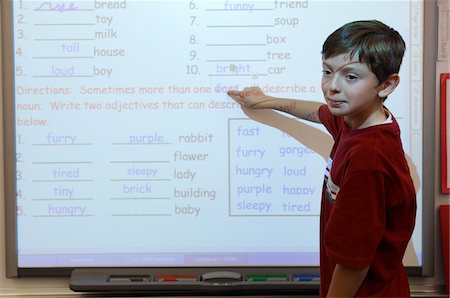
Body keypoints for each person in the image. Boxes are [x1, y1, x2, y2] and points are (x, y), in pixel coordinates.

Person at [227, 20, 417, 297]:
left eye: (351, 77)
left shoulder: (368, 158)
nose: (332, 87)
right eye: (328, 72)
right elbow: (316, 112)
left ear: (387, 85)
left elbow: (354, 264)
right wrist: (265, 101)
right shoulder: (357, 121)